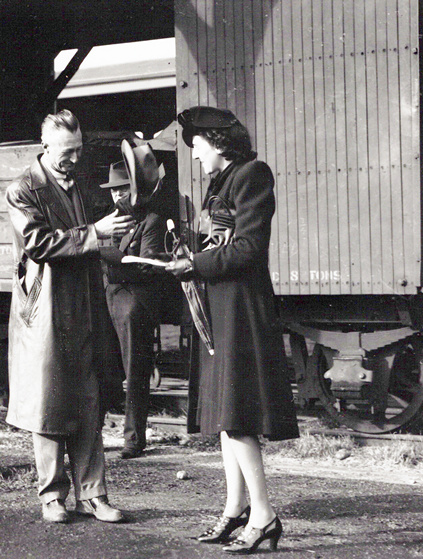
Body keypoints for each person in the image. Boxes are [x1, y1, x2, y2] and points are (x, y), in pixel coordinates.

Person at [165, 106, 299, 554]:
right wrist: (190, 255)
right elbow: (218, 240)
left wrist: (195, 263)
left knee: (238, 413)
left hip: (241, 308)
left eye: (198, 144)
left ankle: (264, 516)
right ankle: (235, 509)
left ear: (219, 142)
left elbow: (247, 248)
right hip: (220, 307)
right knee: (227, 414)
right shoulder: (221, 182)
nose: (196, 154)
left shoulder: (252, 175)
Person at [5, 109, 134, 524]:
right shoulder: (23, 189)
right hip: (46, 309)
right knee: (49, 403)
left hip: (83, 303)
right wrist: (96, 233)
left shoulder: (76, 184)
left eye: (77, 151)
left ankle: (94, 494)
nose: (74, 160)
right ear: (45, 146)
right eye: (66, 152)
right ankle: (53, 497)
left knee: (88, 398)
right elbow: (38, 243)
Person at [100, 157, 166, 459]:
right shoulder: (110, 220)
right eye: (114, 191)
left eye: (123, 189)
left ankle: (134, 438)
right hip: (109, 301)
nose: (117, 196)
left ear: (136, 190)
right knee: (100, 370)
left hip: (134, 305)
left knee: (135, 373)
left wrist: (106, 257)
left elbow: (147, 267)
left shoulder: (150, 220)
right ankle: (93, 434)